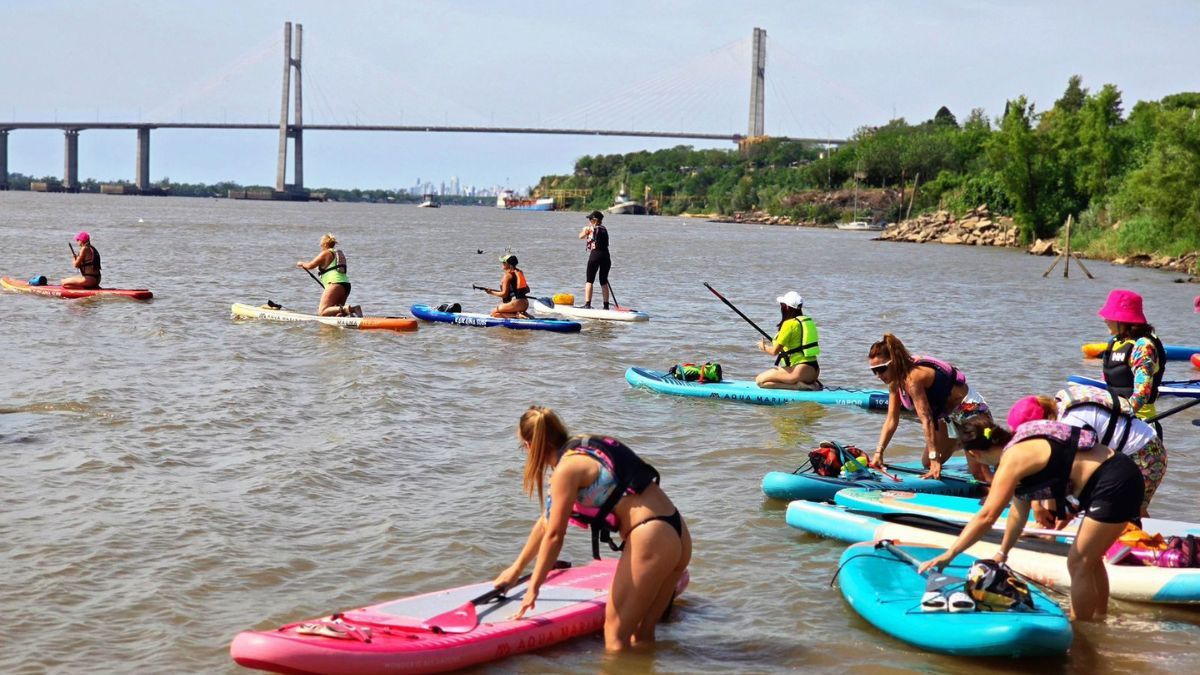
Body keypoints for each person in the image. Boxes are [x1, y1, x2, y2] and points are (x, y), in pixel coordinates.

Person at [495, 406, 691, 652]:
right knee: (642, 635)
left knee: (615, 637)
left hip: (651, 537)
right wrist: (516, 569)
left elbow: (555, 535)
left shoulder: (565, 470)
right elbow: (547, 522)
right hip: (677, 533)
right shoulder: (584, 448)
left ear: (529, 445)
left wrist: (533, 588)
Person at [918, 415, 1143, 622]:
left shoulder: (1011, 461)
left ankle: (1081, 632)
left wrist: (949, 554)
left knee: (1078, 561)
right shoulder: (1019, 444)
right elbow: (1018, 511)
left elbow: (987, 516)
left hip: (1111, 483)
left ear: (975, 454)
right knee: (1089, 559)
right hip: (1123, 471)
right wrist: (1002, 553)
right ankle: (1099, 618)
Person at [1006, 384, 1167, 519]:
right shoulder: (1058, 410)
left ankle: (1149, 545)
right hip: (1128, 453)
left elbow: (1078, 474)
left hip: (1146, 454)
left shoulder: (1070, 425)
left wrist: (1062, 508)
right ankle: (1053, 531)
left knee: (1131, 510)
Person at [867, 333, 992, 481]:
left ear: (894, 362)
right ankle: (960, 443)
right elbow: (891, 421)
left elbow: (926, 419)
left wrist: (935, 460)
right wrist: (878, 453)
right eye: (874, 371)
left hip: (970, 411)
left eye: (881, 369)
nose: (878, 375)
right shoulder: (895, 383)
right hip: (949, 418)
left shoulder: (913, 379)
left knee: (978, 474)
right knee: (926, 463)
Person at [1097, 289, 1165, 436]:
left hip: (1141, 427)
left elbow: (1142, 393)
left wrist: (1119, 417)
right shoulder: (1114, 343)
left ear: (1123, 320)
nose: (1105, 320)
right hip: (1117, 422)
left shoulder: (1143, 346)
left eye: (1110, 316)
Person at [755, 291, 820, 390]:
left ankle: (797, 386)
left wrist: (763, 347)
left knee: (760, 381)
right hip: (814, 371)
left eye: (782, 305)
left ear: (786, 307)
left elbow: (774, 352)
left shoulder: (789, 324)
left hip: (800, 371)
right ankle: (811, 384)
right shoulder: (807, 321)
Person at [296, 233, 360, 317]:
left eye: (321, 244)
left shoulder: (326, 253)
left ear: (325, 244)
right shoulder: (337, 253)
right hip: (346, 285)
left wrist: (301, 263)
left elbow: (310, 265)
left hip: (335, 284)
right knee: (337, 314)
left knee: (323, 311)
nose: (320, 246)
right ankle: (352, 318)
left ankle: (352, 309)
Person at [578, 210, 611, 309]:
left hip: (595, 255)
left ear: (594, 220)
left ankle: (587, 304)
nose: (589, 221)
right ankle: (606, 306)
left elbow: (580, 236)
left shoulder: (591, 229)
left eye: (590, 219)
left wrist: (586, 230)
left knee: (589, 280)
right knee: (603, 281)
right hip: (606, 256)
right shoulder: (605, 229)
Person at [484, 253, 530, 318]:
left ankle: (517, 315)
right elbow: (527, 289)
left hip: (516, 303)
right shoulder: (519, 272)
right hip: (525, 303)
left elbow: (504, 294)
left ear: (509, 264)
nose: (502, 263)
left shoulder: (507, 276)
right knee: (504, 309)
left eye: (504, 262)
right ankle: (524, 315)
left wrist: (491, 292)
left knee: (494, 313)